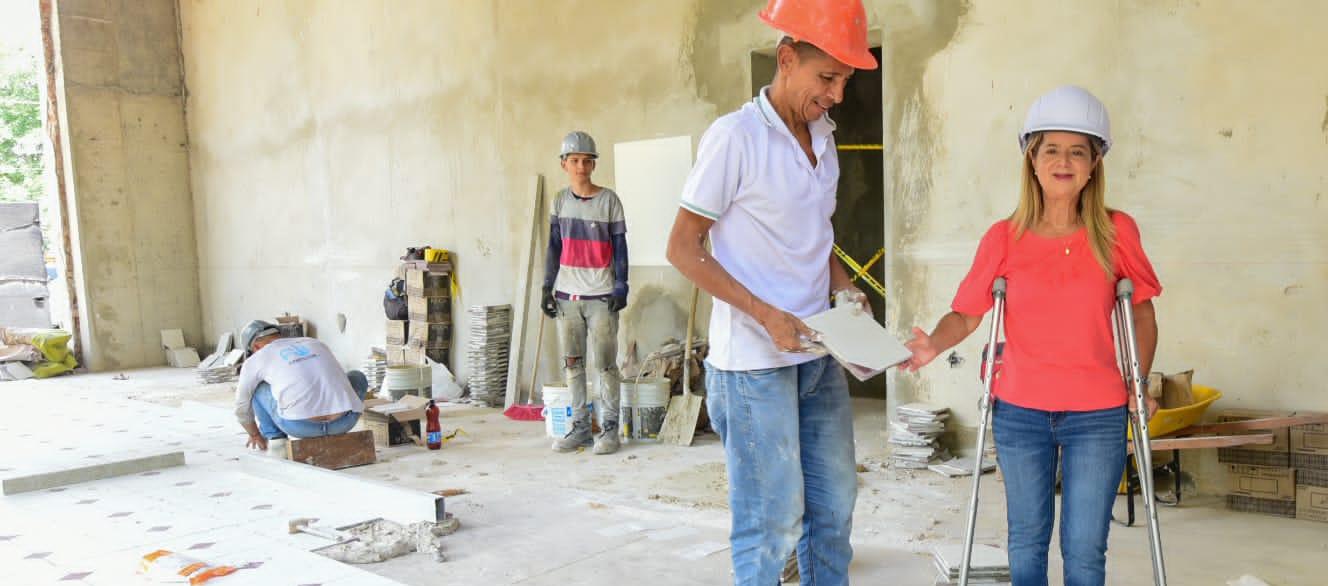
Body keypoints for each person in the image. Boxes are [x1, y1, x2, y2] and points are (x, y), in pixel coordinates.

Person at [903, 85, 1161, 586]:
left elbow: (1141, 313)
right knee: (1027, 539)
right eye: (1051, 150)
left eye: (1078, 151)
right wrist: (932, 343)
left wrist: (1139, 382)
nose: (1063, 162)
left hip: (1098, 414)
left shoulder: (1117, 232)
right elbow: (966, 315)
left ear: (1094, 164)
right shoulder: (1004, 237)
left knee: (1084, 547)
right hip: (1020, 412)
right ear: (1032, 160)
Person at [665, 1, 876, 583]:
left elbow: (815, 237)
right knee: (771, 522)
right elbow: (682, 247)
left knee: (834, 508)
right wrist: (765, 314)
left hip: (818, 355)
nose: (836, 94)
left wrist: (844, 288)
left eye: (845, 80)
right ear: (786, 60)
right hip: (754, 365)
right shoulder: (735, 138)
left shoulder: (824, 139)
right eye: (826, 77)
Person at [541, 131, 629, 455]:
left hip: (602, 297)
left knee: (605, 365)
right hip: (567, 298)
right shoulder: (559, 201)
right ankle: (579, 427)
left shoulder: (609, 201)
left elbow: (620, 247)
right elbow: (554, 247)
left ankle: (610, 430)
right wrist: (546, 287)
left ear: (594, 165)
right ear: (564, 164)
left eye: (587, 161)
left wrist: (621, 285)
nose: (581, 166)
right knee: (573, 365)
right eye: (575, 160)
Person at [233, 320, 367, 457]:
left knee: (256, 387)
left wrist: (254, 434)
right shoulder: (314, 342)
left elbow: (241, 407)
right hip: (344, 422)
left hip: (299, 426)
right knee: (357, 376)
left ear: (255, 347)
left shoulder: (255, 359)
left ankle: (277, 441)